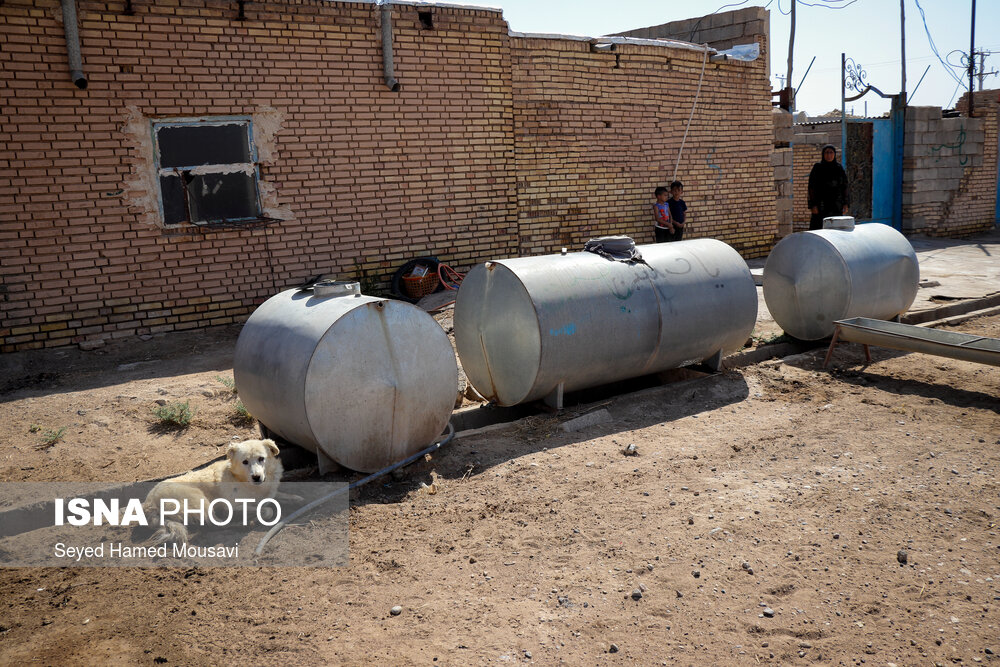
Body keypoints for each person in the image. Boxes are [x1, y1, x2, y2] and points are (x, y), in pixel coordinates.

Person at [807, 144, 849, 231]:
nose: (829, 155)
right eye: (826, 153)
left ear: (834, 154)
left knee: (835, 228)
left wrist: (846, 203)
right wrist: (813, 205)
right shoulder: (817, 168)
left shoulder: (839, 168)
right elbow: (811, 187)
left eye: (831, 152)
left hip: (836, 205)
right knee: (819, 227)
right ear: (823, 154)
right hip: (821, 205)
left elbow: (844, 186)